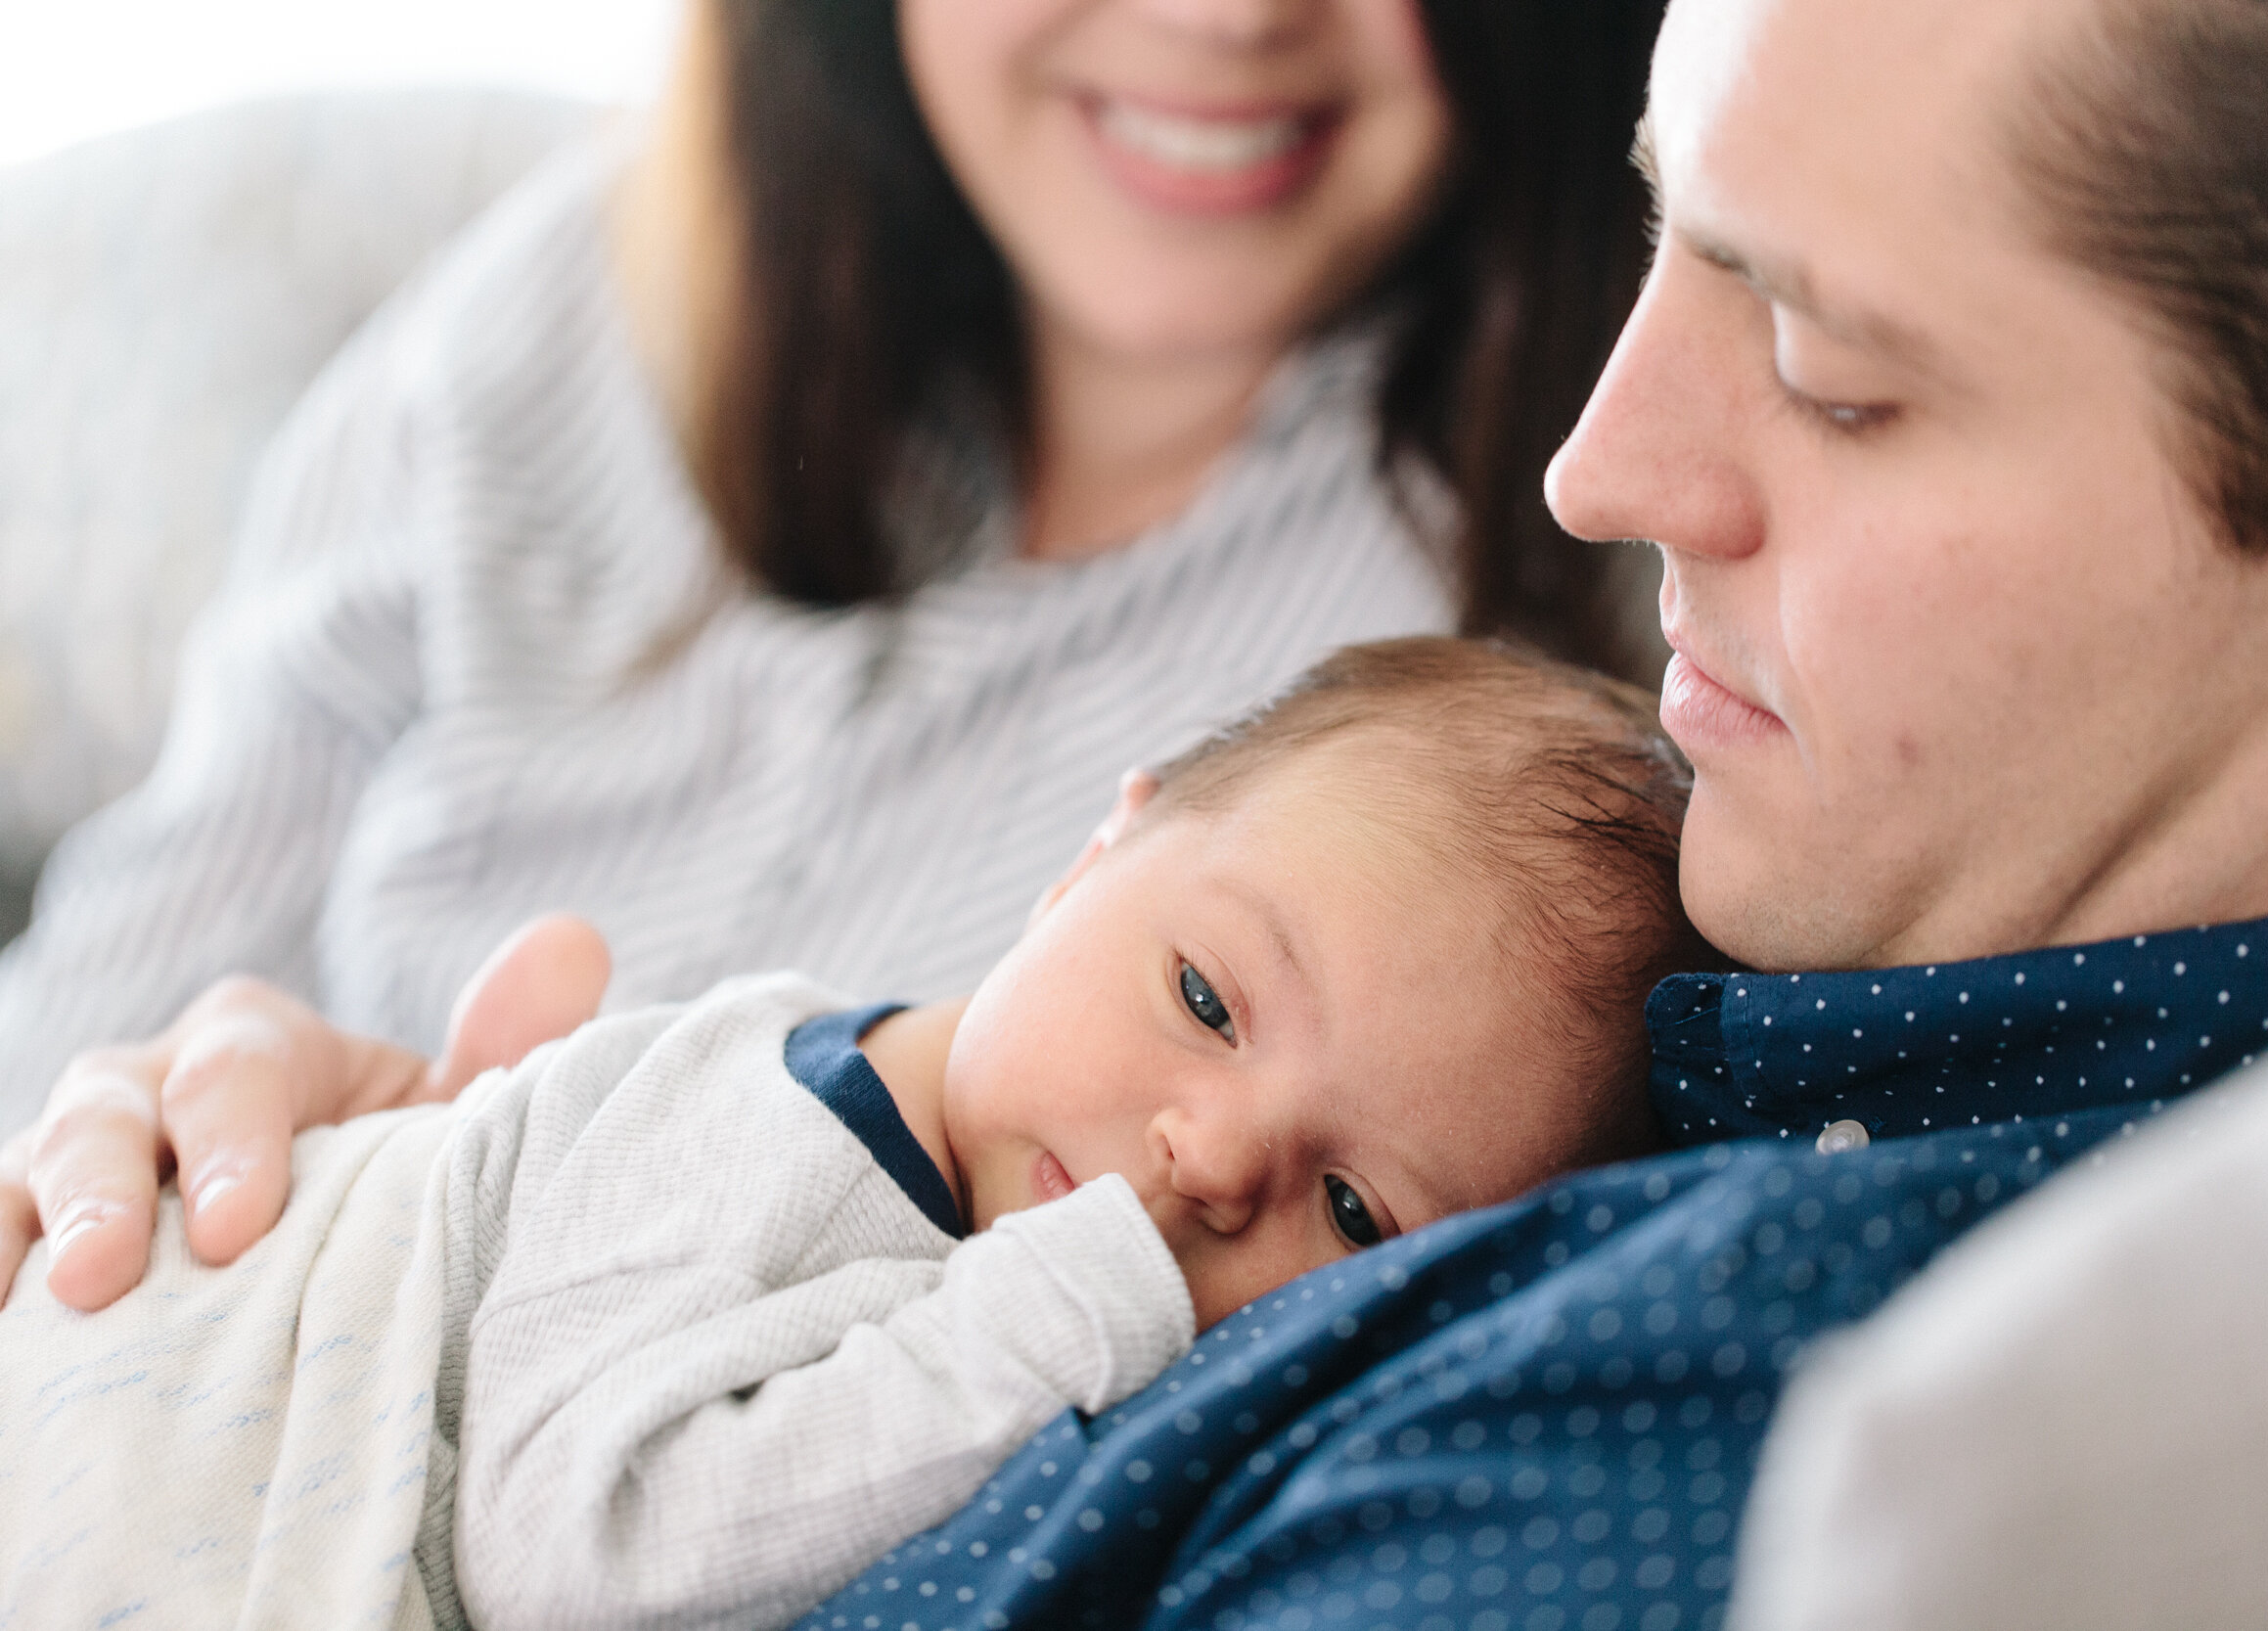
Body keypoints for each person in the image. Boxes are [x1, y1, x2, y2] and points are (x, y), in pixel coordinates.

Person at [11, 0, 2268, 1624]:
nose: (1612, 471)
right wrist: (337, 1194)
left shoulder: (1788, 1307)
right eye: (1662, 241)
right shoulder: (1863, 845)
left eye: (1824, 368)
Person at [0, 0, 1666, 1291]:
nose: (1228, 16)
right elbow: (87, 1022)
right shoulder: (558, 316)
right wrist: (154, 1139)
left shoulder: (1596, 680)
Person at [0, 639, 1701, 1631]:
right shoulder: (793, 1130)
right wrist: (1065, 1307)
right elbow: (578, 1556)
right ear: (1095, 859)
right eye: (1203, 996)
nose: (1209, 1157)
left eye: (1351, 1205)